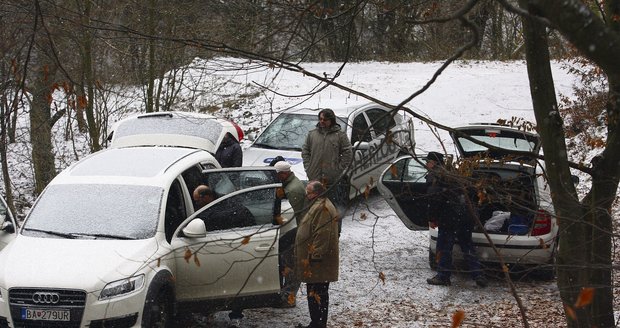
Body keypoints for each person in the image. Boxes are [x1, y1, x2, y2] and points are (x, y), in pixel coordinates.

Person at [192, 184, 254, 327]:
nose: (196, 204)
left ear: (206, 197)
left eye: (197, 201)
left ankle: (231, 313)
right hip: (224, 250)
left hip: (230, 250)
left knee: (232, 282)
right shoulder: (226, 203)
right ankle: (226, 313)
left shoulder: (220, 212)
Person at [424, 152, 488, 288]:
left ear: (433, 163)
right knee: (467, 245)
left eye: (428, 162)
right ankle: (478, 275)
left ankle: (443, 276)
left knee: (444, 247)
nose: (426, 165)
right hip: (465, 216)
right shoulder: (455, 173)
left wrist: (431, 218)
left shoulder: (435, 176)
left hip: (449, 217)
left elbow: (434, 199)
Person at [295, 181, 340, 328]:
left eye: (309, 193)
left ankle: (319, 323)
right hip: (315, 261)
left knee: (318, 293)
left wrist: (315, 256)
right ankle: (316, 322)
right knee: (315, 292)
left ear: (317, 193)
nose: (307, 195)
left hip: (318, 262)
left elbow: (322, 235)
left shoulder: (322, 208)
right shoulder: (318, 205)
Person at [301, 108, 352, 218]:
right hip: (314, 178)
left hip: (331, 181)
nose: (322, 121)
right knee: (314, 210)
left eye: (325, 119)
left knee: (332, 210)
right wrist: (308, 167)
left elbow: (348, 152)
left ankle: (334, 232)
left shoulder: (340, 135)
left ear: (331, 120)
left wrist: (338, 169)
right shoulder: (312, 134)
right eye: (320, 119)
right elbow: (305, 151)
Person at [272, 159, 306, 308]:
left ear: (284, 174)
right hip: (294, 231)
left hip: (296, 232)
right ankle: (286, 295)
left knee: (291, 265)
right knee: (288, 264)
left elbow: (296, 215)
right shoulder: (289, 185)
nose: (276, 177)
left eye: (278, 175)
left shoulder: (293, 190)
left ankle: (289, 298)